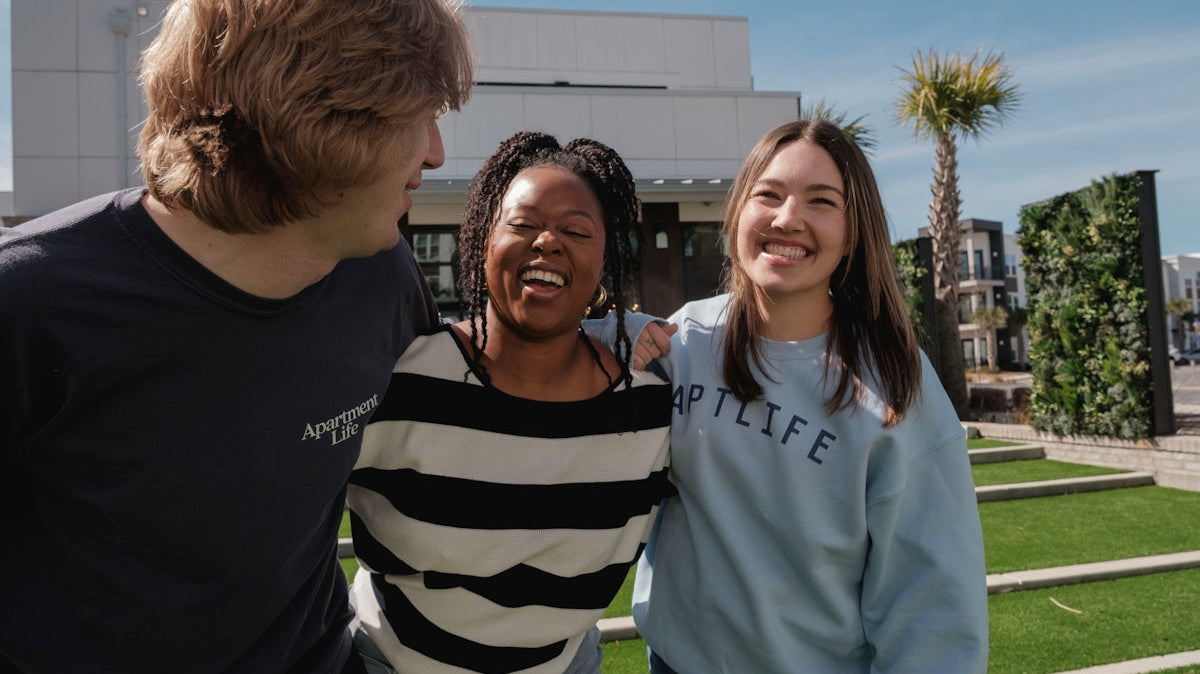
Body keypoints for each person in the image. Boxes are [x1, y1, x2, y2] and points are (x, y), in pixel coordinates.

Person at [0, 0, 471, 671]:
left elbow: (461, 408)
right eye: (415, 119)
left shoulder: (381, 272)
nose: (436, 152)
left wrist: (612, 338)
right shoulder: (30, 303)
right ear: (321, 122)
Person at [622, 119, 989, 672]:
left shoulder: (896, 381)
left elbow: (932, 595)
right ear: (737, 213)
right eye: (767, 194)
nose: (787, 218)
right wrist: (605, 335)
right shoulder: (683, 341)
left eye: (821, 201)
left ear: (853, 231)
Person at [346, 132, 674, 674]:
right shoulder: (399, 379)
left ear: (604, 260)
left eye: (575, 230)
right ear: (482, 240)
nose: (547, 242)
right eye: (522, 224)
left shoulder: (649, 414)